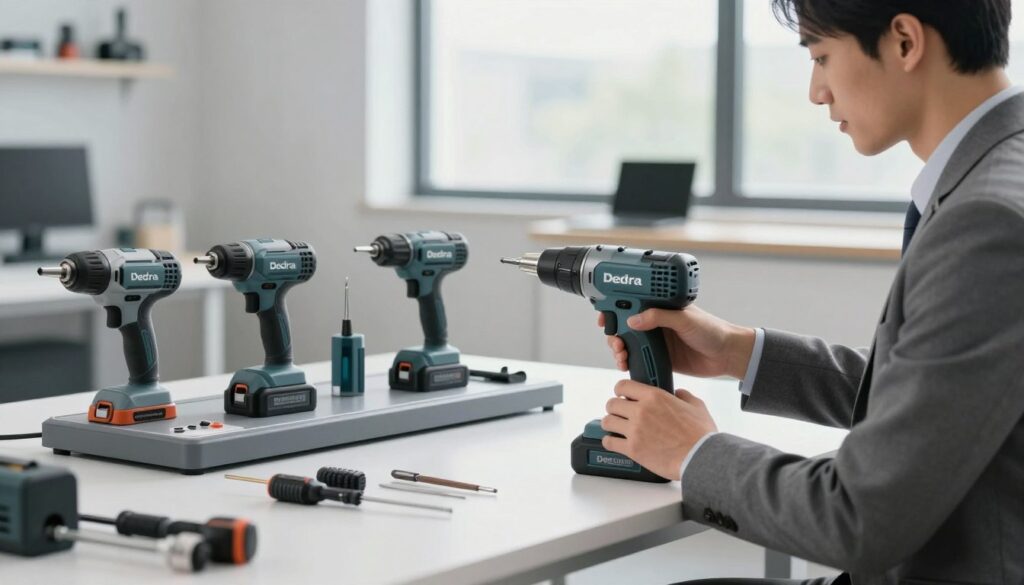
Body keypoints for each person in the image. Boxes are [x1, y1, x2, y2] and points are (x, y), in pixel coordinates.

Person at [598, 1, 1024, 583]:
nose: (815, 92)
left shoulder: (989, 221)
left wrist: (692, 452)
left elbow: (860, 519)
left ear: (903, 41)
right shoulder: (998, 173)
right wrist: (739, 352)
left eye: (821, 56)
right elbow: (940, 401)